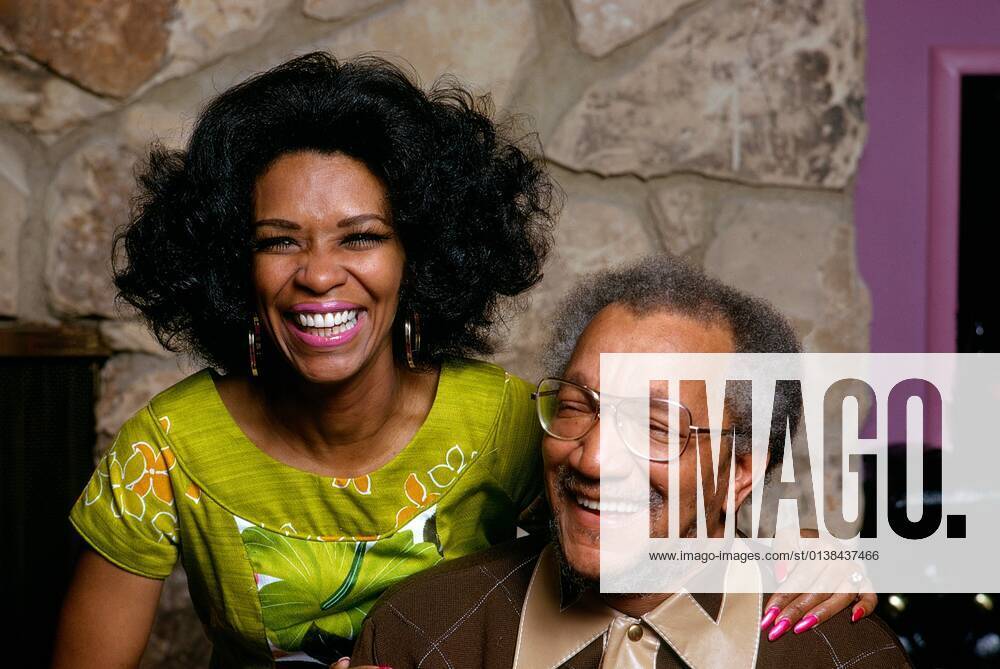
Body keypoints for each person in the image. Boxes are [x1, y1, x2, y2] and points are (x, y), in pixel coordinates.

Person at [52, 53, 871, 668]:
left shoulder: (513, 423)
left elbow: (649, 503)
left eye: (362, 236)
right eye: (278, 242)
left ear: (421, 254)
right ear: (238, 265)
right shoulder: (166, 449)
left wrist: (801, 550)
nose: (318, 273)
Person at [350, 255, 909, 669]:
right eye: (576, 406)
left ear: (739, 472)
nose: (593, 458)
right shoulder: (421, 631)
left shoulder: (848, 658)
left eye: (656, 426)